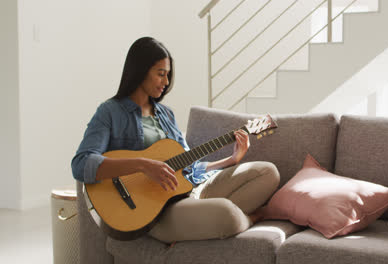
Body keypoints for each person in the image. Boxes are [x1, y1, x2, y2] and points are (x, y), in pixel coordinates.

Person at [71, 36, 280, 243]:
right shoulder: (110, 111)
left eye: (168, 75)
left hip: (188, 192)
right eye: (160, 74)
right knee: (226, 213)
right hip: (155, 213)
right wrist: (143, 165)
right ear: (140, 71)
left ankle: (201, 218)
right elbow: (81, 164)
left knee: (268, 172)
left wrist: (231, 160)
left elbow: (189, 167)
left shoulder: (166, 114)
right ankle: (245, 219)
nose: (166, 82)